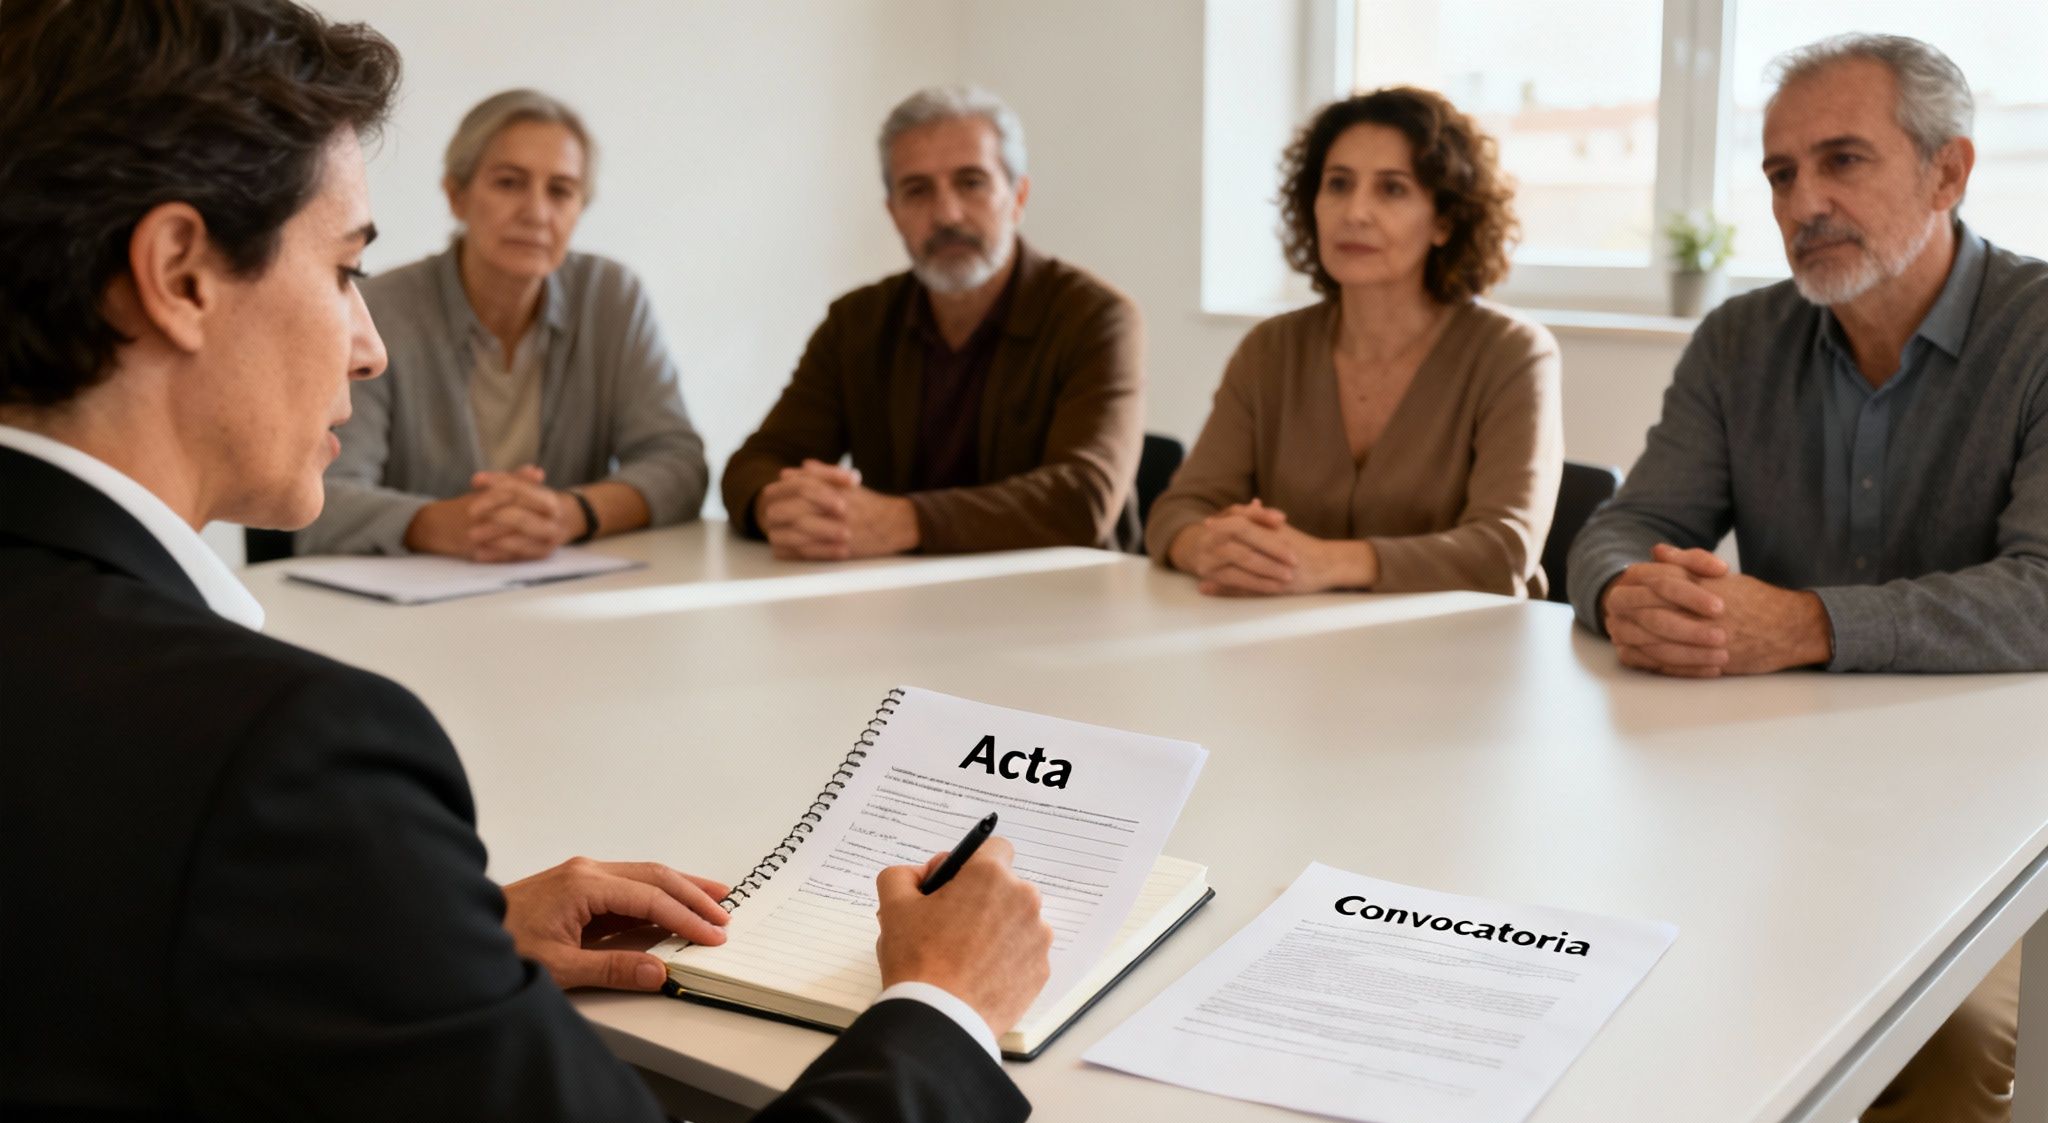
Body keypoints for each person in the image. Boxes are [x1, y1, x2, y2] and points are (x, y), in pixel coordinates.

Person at [0, 3, 1051, 1123]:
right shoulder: (283, 763)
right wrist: (945, 1002)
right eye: (344, 268)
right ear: (180, 275)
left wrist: (432, 931)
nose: (367, 341)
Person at [1567, 34, 2042, 1123]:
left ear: (1947, 171)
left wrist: (1808, 622)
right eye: (1780, 174)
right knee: (1603, 966)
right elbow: (1624, 526)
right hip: (1768, 788)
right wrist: (1625, 591)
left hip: (1985, 807)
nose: (1802, 202)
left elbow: (2039, 593)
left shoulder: (2035, 333)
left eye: (1840, 162)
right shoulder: (1740, 338)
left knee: (1951, 1044)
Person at [1147, 87, 1563, 598]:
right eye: (1338, 184)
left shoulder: (1512, 353)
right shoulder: (1271, 349)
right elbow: (1178, 510)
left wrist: (1327, 562)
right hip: (1291, 651)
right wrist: (1206, 547)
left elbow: (1504, 549)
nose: (1355, 212)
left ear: (1445, 220)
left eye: (1392, 190)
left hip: (1465, 655)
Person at [720, 84, 1145, 558]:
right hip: (899, 606)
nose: (946, 214)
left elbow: (1082, 499)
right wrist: (778, 506)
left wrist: (905, 522)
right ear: (894, 214)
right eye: (917, 190)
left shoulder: (1097, 318)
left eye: (971, 182)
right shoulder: (856, 322)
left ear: (1018, 196)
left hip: (1067, 608)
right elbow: (754, 464)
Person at [298, 89, 708, 560]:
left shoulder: (612, 298)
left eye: (561, 191)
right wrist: (441, 525)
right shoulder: (379, 311)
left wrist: (570, 514)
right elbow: (324, 495)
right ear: (457, 195)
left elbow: (680, 465)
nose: (536, 212)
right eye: (509, 183)